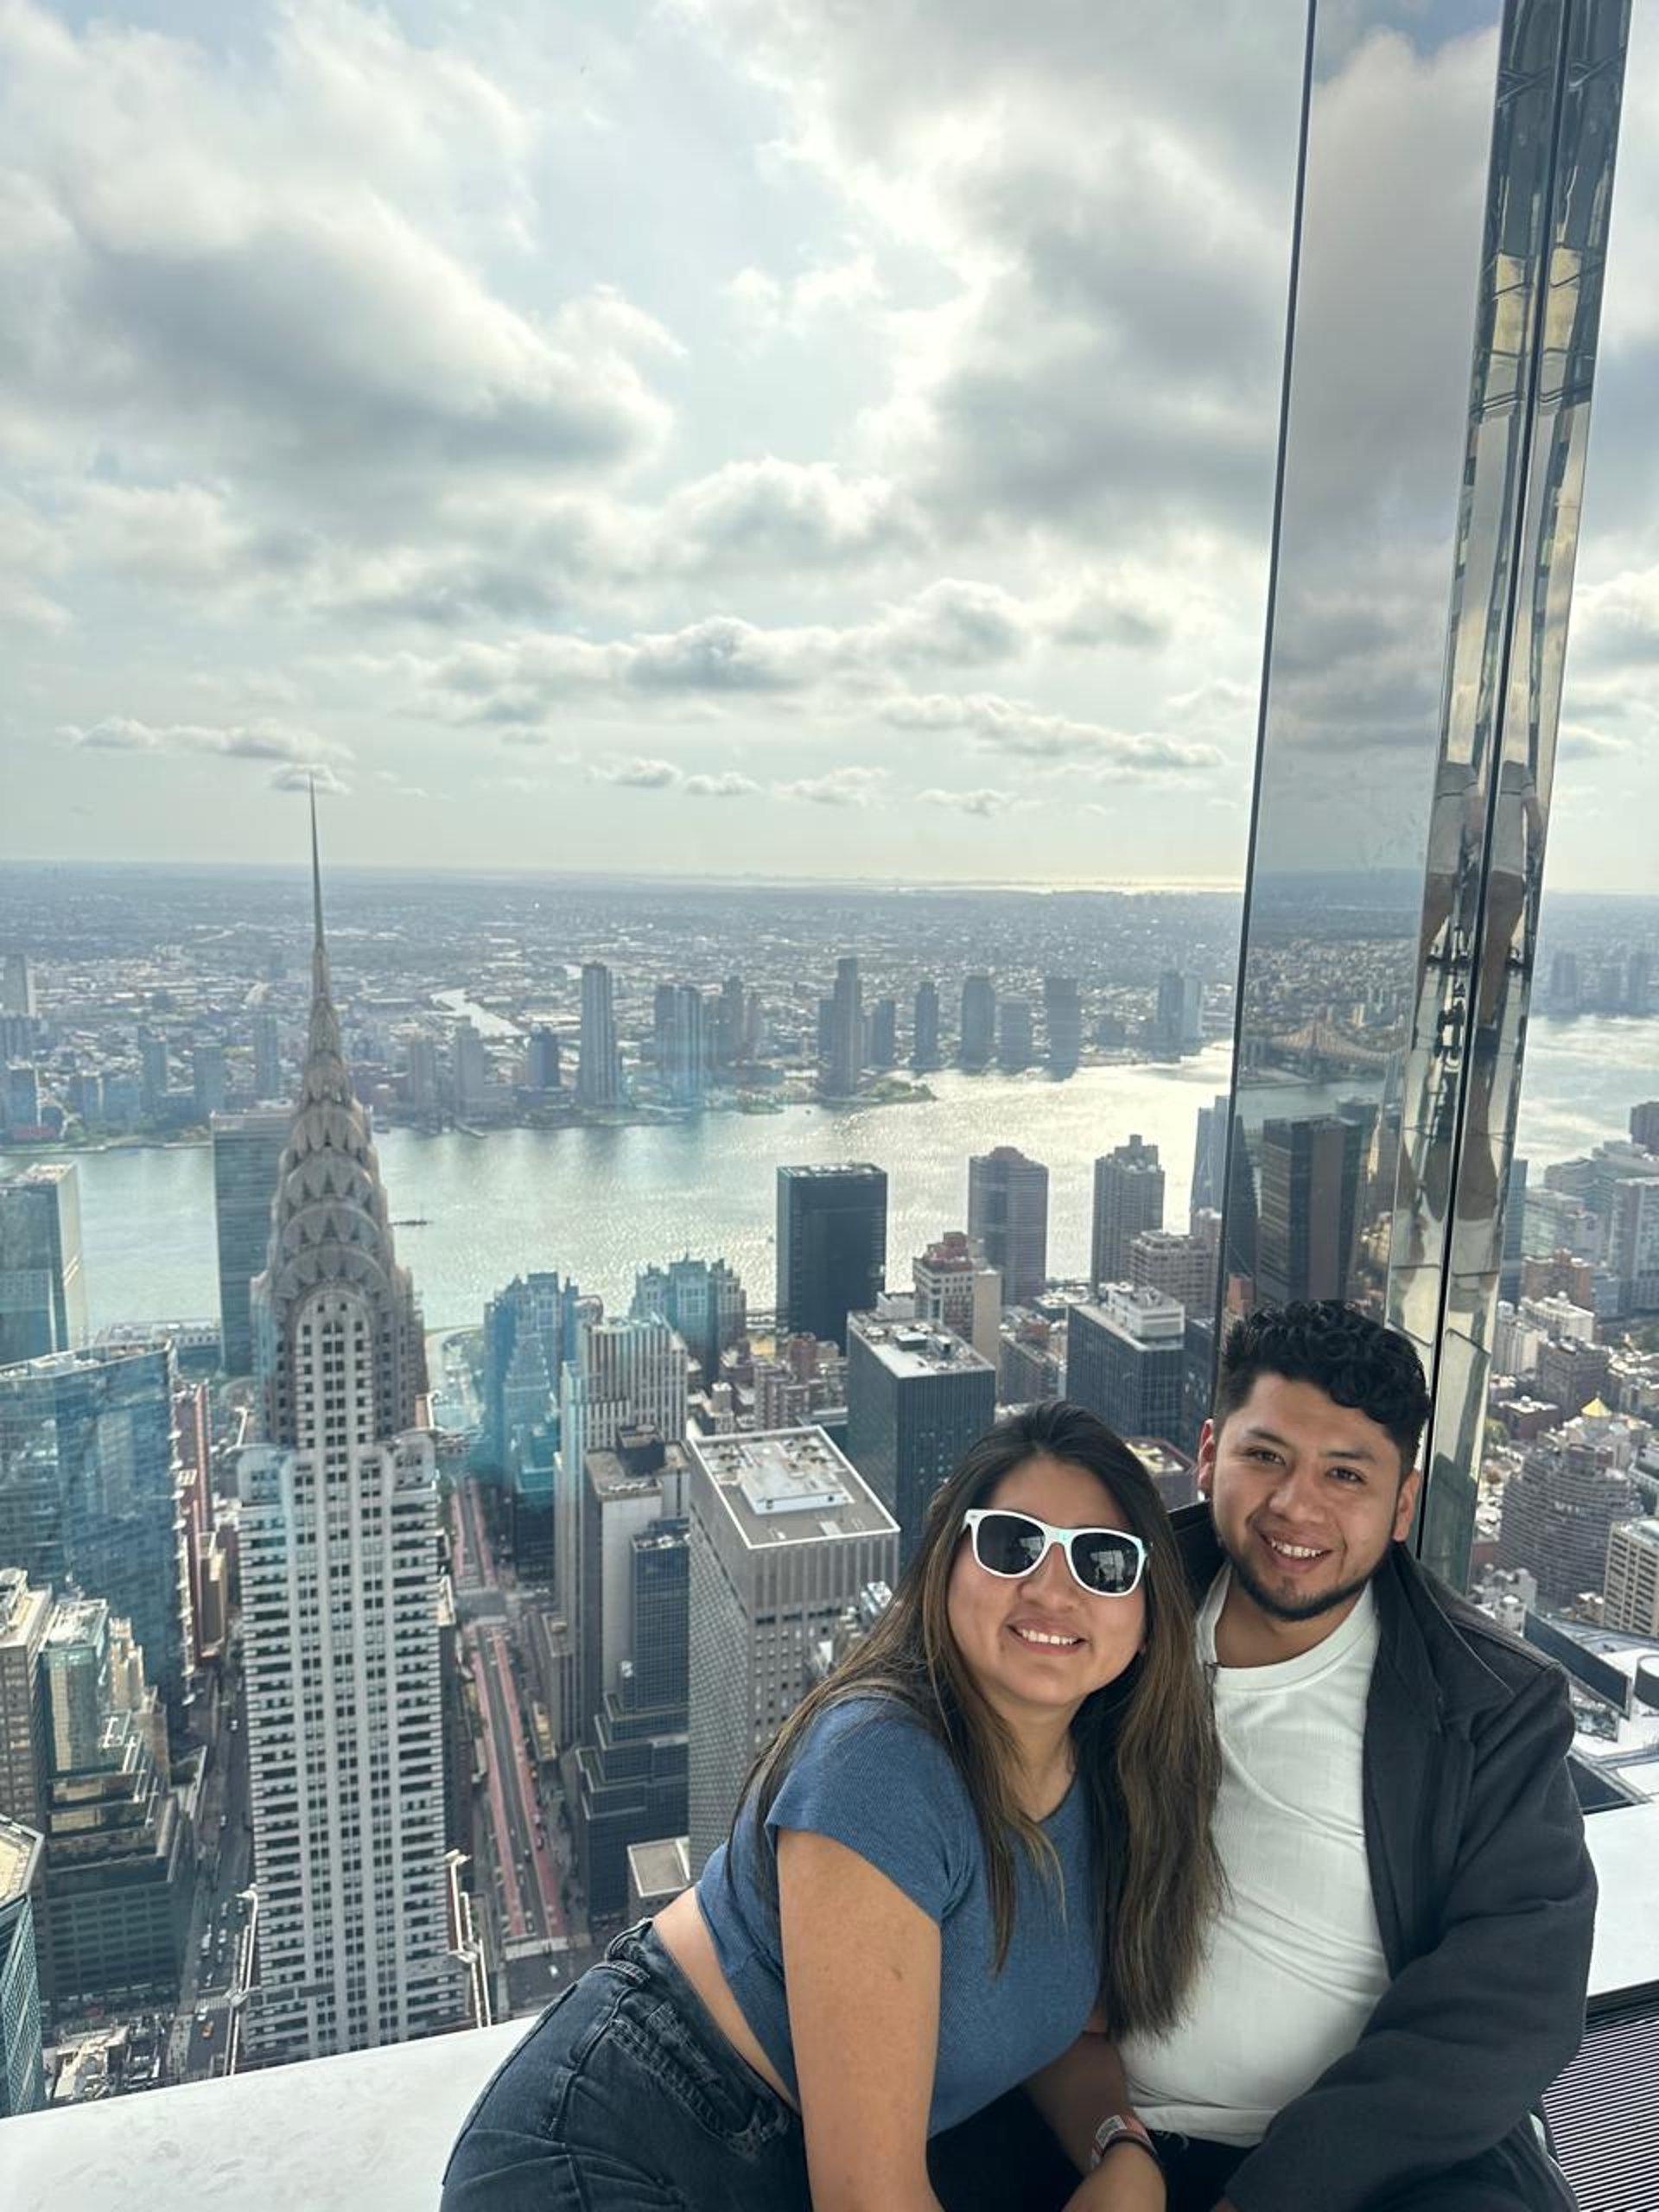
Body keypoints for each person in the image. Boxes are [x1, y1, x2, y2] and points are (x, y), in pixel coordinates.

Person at [442, 1402, 1221, 2212]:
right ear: (948, 1568)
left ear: (1144, 1618)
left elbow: (1068, 2035)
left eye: (1103, 1562)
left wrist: (1119, 2149)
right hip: (620, 2139)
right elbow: (867, 2201)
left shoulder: (1110, 1783)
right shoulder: (884, 1762)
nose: (1051, 1588)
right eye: (1012, 1544)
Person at [949, 1300, 1596, 2212]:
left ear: (1403, 1504)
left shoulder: (1489, 1706)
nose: (1298, 1505)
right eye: (1266, 1457)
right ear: (1210, 1453)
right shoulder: (1102, 1604)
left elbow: (1512, 2007)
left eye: (1346, 1474)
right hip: (1089, 2127)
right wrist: (1113, 2145)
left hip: (1369, 2169)